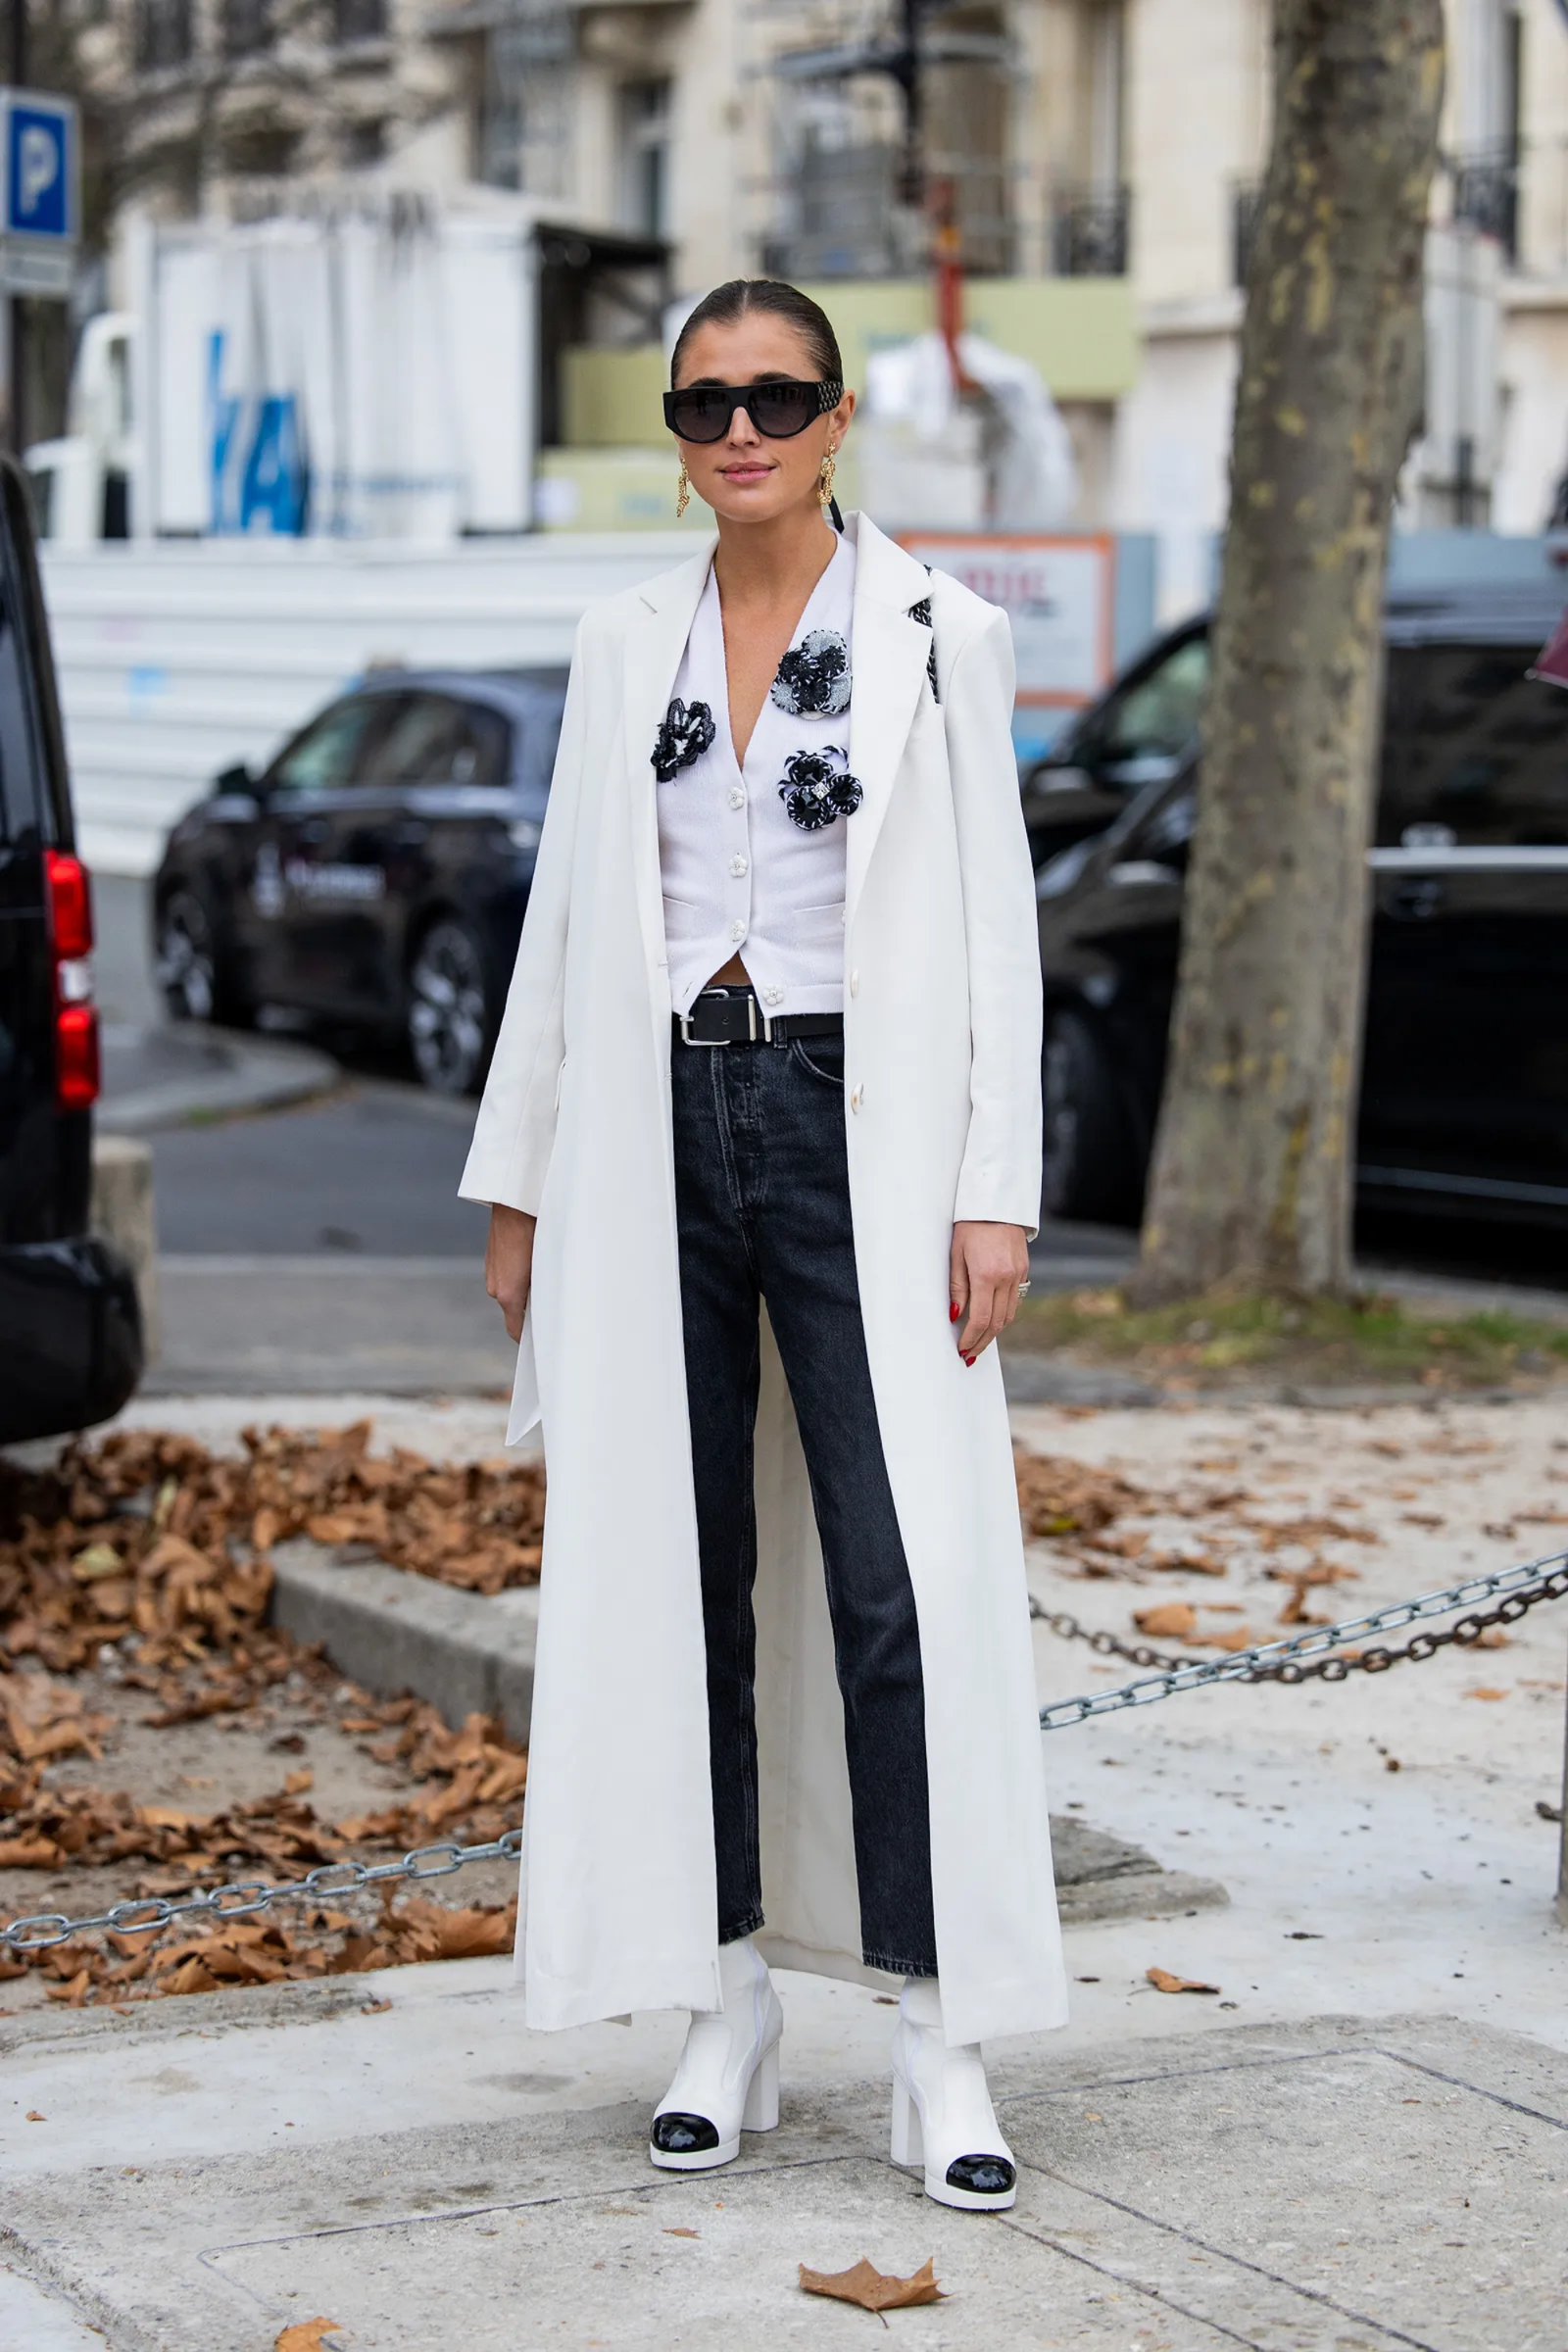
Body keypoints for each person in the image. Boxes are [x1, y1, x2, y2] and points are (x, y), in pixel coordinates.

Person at [462, 277, 1066, 2213]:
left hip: (851, 1133)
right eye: (706, 400)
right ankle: (720, 2002)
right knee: (677, 1575)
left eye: (777, 396)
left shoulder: (933, 637)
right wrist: (521, 1178)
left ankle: (935, 2032)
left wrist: (995, 1189)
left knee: (899, 1584)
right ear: (674, 423)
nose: (740, 429)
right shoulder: (615, 635)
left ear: (832, 419)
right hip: (654, 1124)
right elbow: (567, 915)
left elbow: (994, 939)